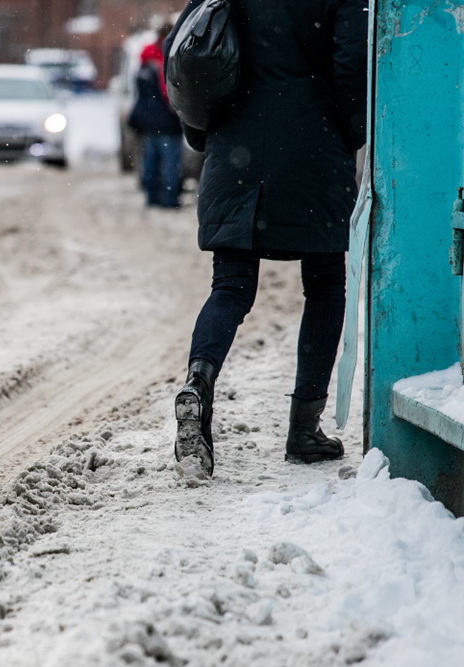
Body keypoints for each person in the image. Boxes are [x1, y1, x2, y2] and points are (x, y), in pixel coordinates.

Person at [166, 0, 368, 476]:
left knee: (231, 285)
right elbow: (353, 71)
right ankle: (304, 429)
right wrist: (348, 133)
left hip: (233, 149)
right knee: (324, 284)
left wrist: (204, 133)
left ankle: (198, 382)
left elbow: (189, 52)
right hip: (311, 151)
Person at [128, 24, 182, 208]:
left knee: (151, 162)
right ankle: (169, 199)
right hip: (168, 121)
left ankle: (152, 197)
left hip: (150, 123)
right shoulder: (166, 60)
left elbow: (140, 94)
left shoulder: (145, 61)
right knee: (169, 164)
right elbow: (169, 93)